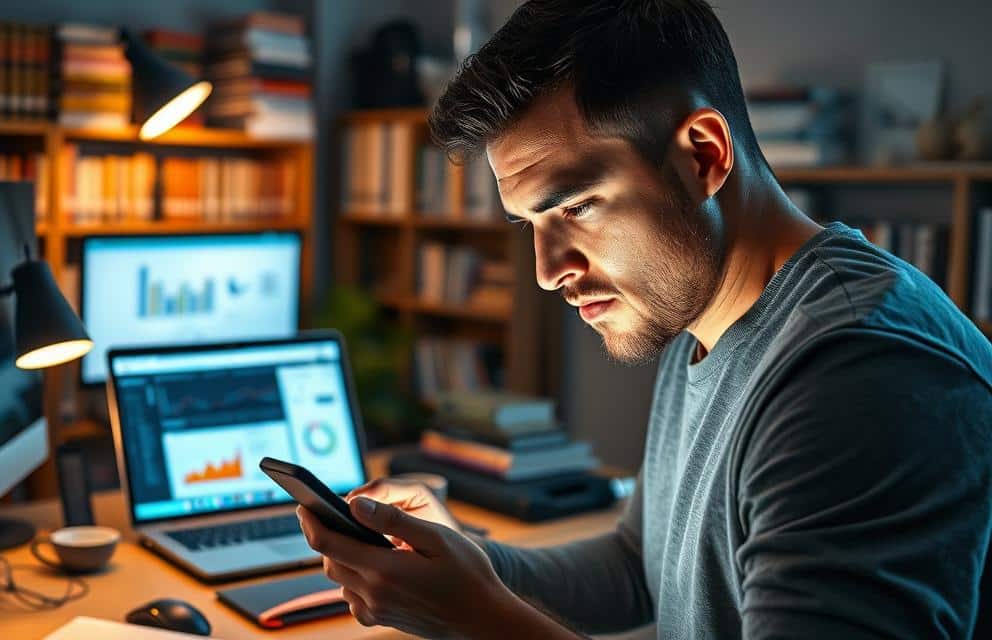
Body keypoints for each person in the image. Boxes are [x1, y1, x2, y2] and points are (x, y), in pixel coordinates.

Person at [298, 1, 992, 637]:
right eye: (529, 222)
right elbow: (639, 566)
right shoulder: (698, 314)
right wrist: (467, 567)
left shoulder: (859, 377)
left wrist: (476, 617)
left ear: (703, 157)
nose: (547, 271)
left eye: (574, 207)